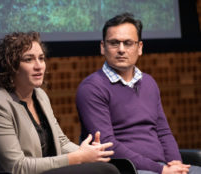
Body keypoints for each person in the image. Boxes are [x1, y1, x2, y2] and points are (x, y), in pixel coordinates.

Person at [0, 32, 119, 174]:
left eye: (41, 58)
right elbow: (18, 167)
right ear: (10, 66)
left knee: (109, 167)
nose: (39, 66)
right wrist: (77, 157)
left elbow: (61, 143)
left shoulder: (40, 95)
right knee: (106, 171)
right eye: (28, 59)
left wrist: (89, 153)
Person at [76, 13, 201, 174]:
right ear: (103, 47)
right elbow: (107, 144)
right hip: (126, 169)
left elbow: (163, 132)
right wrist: (160, 169)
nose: (121, 49)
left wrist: (175, 164)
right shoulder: (91, 88)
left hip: (161, 166)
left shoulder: (149, 83)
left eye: (128, 43)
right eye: (114, 43)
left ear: (139, 47)